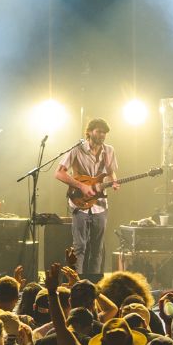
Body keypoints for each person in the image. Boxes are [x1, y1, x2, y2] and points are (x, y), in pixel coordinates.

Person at [55, 119, 118, 280]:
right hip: (79, 203)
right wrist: (81, 186)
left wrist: (114, 181)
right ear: (89, 132)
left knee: (98, 248)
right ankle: (76, 284)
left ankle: (94, 286)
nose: (102, 135)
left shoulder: (109, 151)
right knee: (80, 246)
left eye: (104, 132)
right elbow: (59, 173)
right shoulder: (77, 149)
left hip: (100, 205)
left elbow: (111, 172)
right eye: (99, 131)